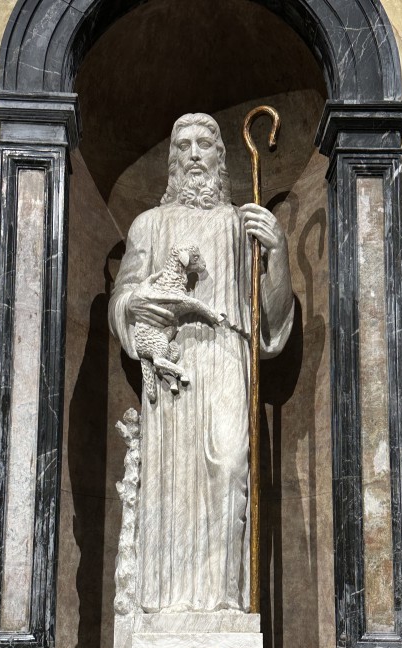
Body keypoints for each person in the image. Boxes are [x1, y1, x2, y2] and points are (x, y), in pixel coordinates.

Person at [109, 113, 293, 615]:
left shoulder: (240, 224)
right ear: (171, 161)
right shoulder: (150, 224)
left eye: (204, 144)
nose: (194, 154)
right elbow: (122, 299)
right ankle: (166, 607)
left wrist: (276, 255)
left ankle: (223, 603)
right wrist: (139, 309)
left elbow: (270, 326)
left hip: (228, 356)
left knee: (230, 465)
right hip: (172, 362)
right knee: (173, 485)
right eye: (184, 145)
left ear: (220, 157)